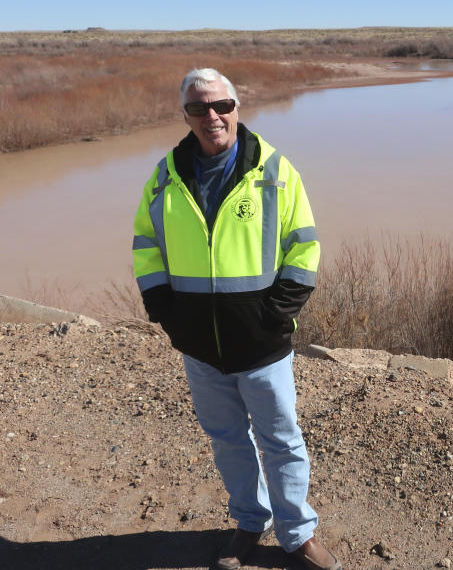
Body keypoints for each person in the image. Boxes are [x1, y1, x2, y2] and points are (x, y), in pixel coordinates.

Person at [132, 68, 341, 570]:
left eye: (221, 105)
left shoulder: (273, 169)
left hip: (263, 342)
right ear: (184, 114)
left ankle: (298, 532)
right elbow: (146, 245)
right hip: (199, 346)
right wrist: (166, 313)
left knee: (281, 438)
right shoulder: (165, 175)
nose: (212, 117)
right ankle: (251, 521)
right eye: (199, 108)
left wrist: (277, 313)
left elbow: (304, 243)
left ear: (237, 107)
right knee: (227, 440)